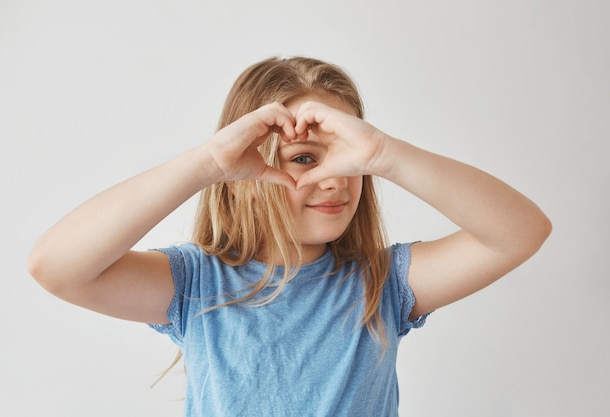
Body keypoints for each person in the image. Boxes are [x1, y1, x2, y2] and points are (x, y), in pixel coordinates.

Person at [27, 56, 551, 416]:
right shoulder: (195, 284)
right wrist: (205, 163)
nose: (336, 180)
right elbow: (56, 266)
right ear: (245, 174)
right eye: (304, 159)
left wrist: (386, 155)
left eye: (350, 159)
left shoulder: (381, 284)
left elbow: (519, 232)